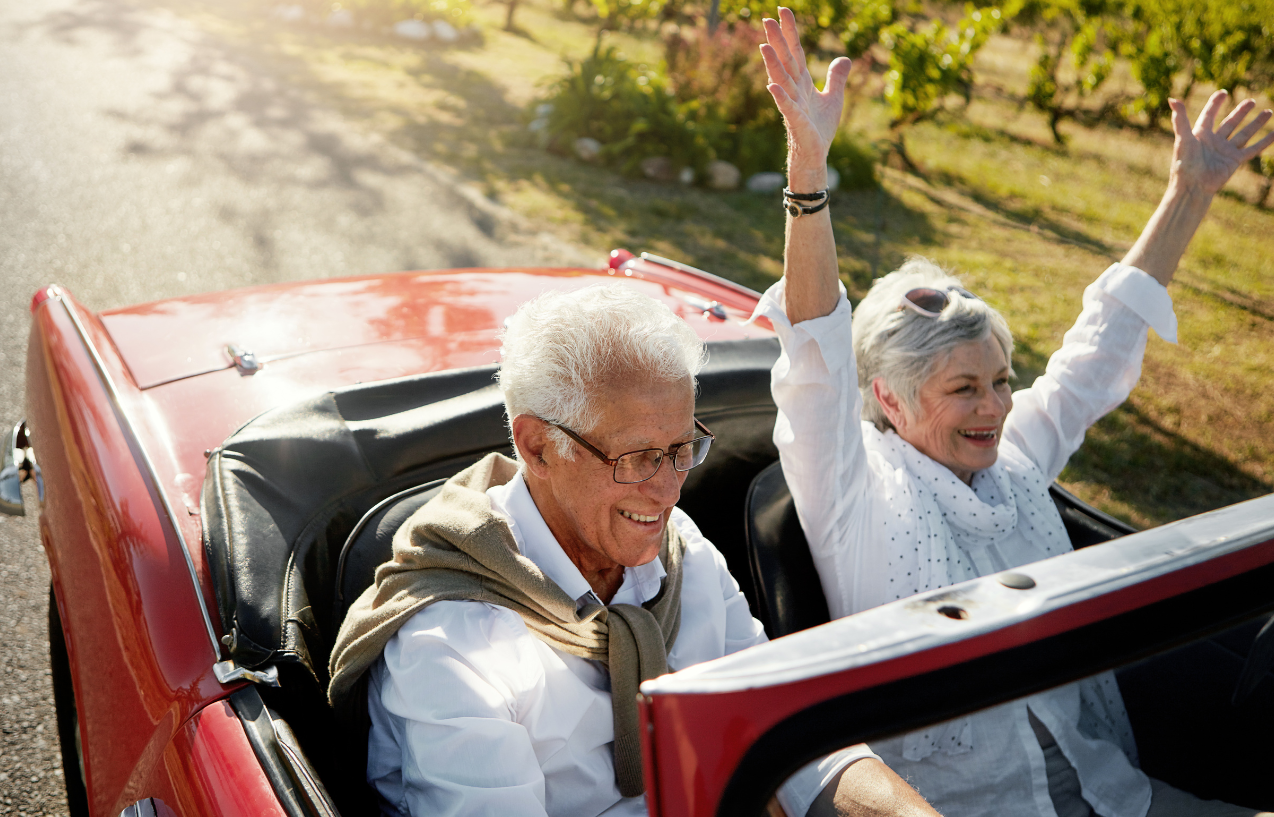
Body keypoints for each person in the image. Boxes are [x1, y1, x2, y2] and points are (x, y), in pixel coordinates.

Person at [753, 5, 1274, 817]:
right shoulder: (850, 490)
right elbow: (816, 348)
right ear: (886, 397)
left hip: (1113, 791)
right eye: (963, 389)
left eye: (1001, 381)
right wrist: (808, 165)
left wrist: (1190, 191)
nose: (995, 407)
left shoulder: (1013, 457)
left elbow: (1099, 347)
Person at [327, 284, 942, 817]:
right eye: (639, 457)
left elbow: (786, 729)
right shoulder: (451, 645)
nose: (670, 487)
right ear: (538, 447)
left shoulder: (683, 554)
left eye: (681, 449)